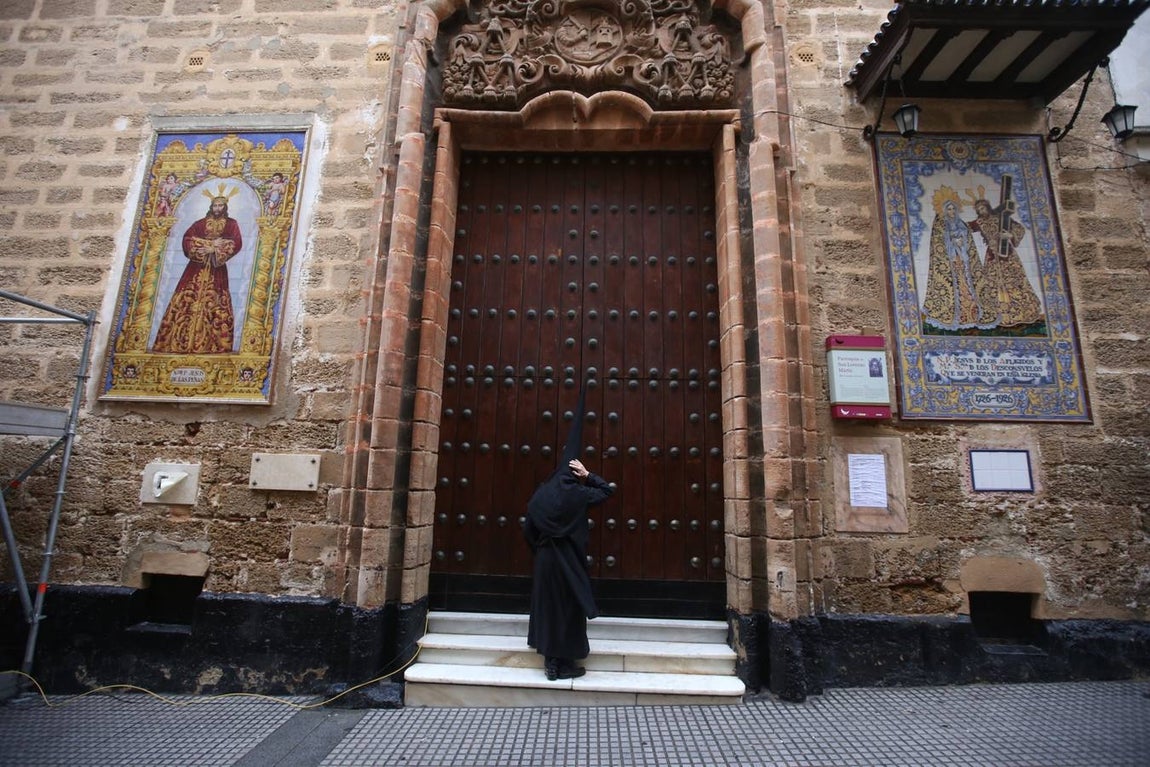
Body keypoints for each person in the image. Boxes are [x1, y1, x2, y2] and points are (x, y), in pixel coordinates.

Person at [523, 381, 614, 681]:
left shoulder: (541, 494)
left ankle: (551, 663)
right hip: (569, 561)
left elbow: (528, 529)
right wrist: (589, 475)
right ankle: (564, 663)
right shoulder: (579, 493)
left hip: (546, 560)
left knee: (548, 609)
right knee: (569, 609)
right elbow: (607, 492)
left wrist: (540, 549)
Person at [152, 193, 243, 354]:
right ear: (211, 207)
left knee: (215, 302)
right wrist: (208, 244)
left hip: (217, 270)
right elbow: (187, 239)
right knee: (187, 300)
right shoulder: (200, 224)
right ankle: (177, 342)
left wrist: (214, 250)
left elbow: (236, 242)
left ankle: (212, 345)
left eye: (220, 206)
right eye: (215, 206)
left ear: (225, 207)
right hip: (195, 269)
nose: (217, 208)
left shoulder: (231, 224)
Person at [968, 194, 1044, 330]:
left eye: (983, 208)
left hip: (1007, 253)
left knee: (1014, 280)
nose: (981, 211)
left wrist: (1010, 235)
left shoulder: (1001, 218)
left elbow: (1019, 228)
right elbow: (966, 227)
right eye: (979, 210)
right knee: (992, 282)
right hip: (992, 255)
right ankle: (1000, 315)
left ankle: (1022, 314)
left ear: (988, 208)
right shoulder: (980, 222)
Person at [921, 186, 989, 332]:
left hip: (964, 262)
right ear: (944, 210)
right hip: (950, 262)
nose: (951, 212)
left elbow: (969, 241)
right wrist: (952, 240)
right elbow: (938, 243)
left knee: (967, 287)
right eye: (949, 209)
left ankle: (971, 316)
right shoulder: (940, 224)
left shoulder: (961, 223)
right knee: (955, 287)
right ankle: (956, 317)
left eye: (953, 209)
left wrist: (961, 242)